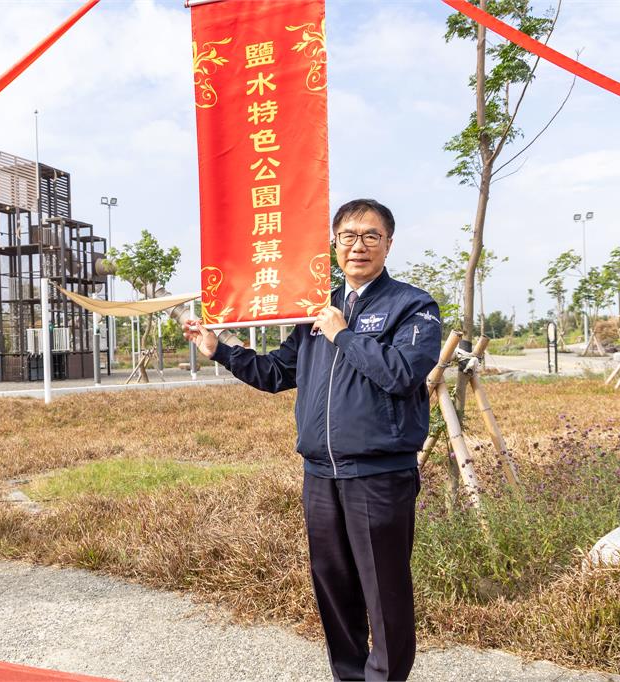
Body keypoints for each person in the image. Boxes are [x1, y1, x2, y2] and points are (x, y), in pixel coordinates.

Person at [184, 198, 441, 681]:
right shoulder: (314, 311)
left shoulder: (412, 306)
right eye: (347, 236)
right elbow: (277, 373)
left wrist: (344, 335)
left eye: (370, 236)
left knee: (384, 591)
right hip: (320, 476)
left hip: (379, 475)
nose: (358, 246)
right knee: (334, 588)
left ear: (388, 243)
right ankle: (348, 675)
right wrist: (219, 350)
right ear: (334, 243)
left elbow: (404, 375)